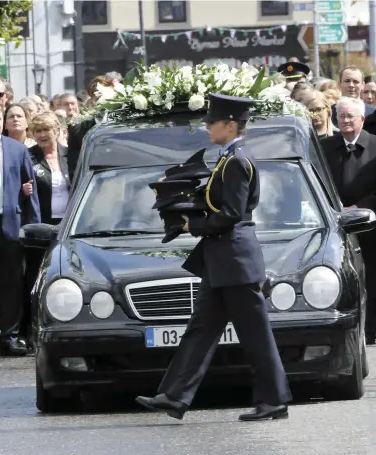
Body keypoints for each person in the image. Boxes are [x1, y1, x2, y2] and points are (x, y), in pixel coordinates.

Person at [136, 93, 292, 421]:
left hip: (235, 260)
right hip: (222, 260)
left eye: (213, 121)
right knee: (201, 330)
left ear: (231, 125)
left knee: (256, 335)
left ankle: (274, 399)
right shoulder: (228, 158)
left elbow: (233, 214)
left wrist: (193, 223)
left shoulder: (236, 161)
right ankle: (175, 396)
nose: (207, 126)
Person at [320, 97, 376, 345]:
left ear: (362, 119)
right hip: (335, 223)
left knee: (373, 276)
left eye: (350, 116)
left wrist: (360, 207)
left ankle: (370, 330)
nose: (345, 120)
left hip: (370, 223)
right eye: (341, 116)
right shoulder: (325, 147)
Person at [0, 99, 41, 358]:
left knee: (12, 283)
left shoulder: (16, 150)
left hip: (10, 224)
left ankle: (11, 336)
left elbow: (30, 191)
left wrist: (32, 228)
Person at [21, 112, 70, 348]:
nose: (41, 135)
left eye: (46, 130)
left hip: (68, 224)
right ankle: (31, 330)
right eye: (37, 131)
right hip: (41, 224)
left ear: (57, 131)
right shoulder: (28, 157)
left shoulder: (70, 155)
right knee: (35, 277)